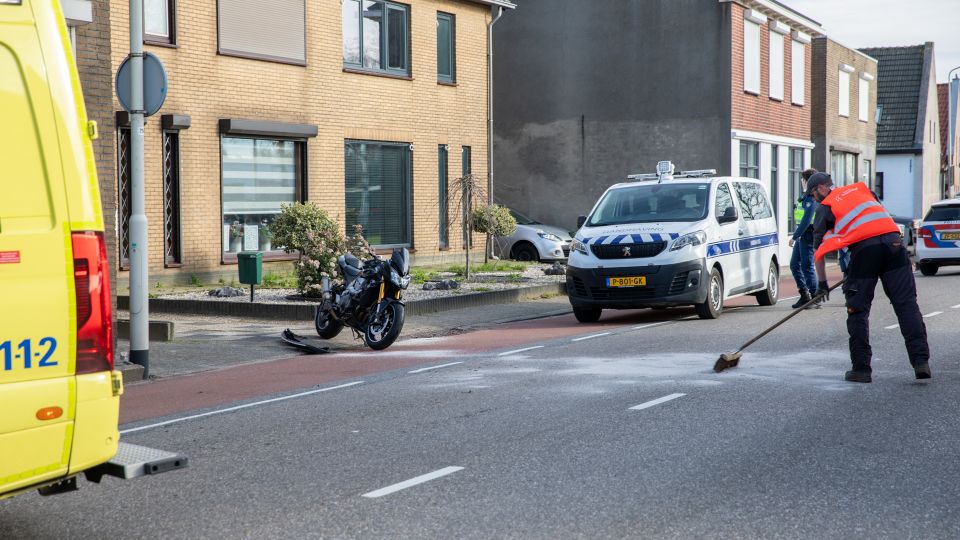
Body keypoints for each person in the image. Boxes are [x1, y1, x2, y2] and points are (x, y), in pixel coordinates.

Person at [808, 173, 932, 383]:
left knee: (857, 310)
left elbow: (818, 250)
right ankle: (921, 362)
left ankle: (861, 369)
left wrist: (822, 284)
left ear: (821, 188)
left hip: (865, 251)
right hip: (894, 245)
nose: (814, 199)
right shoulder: (864, 192)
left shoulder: (825, 206)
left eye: (813, 194)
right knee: (907, 305)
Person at [788, 168, 819, 308]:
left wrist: (794, 237)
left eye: (803, 179)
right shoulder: (806, 196)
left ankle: (815, 297)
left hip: (808, 234)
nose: (801, 181)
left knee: (807, 265)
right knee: (795, 264)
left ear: (806, 181)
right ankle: (805, 295)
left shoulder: (812, 198)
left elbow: (807, 220)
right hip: (803, 234)